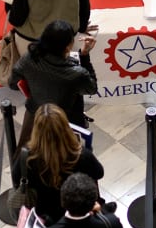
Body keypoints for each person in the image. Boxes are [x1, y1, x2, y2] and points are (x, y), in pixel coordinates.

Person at [10, 19, 98, 149]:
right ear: (68, 47)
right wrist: (84, 56)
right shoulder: (76, 74)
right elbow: (91, 89)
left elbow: (13, 82)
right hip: (66, 120)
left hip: (36, 113)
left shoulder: (29, 57)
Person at [15, 103, 104, 226]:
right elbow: (99, 173)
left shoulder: (27, 157)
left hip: (45, 218)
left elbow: (16, 178)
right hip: (80, 212)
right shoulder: (81, 155)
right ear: (65, 127)